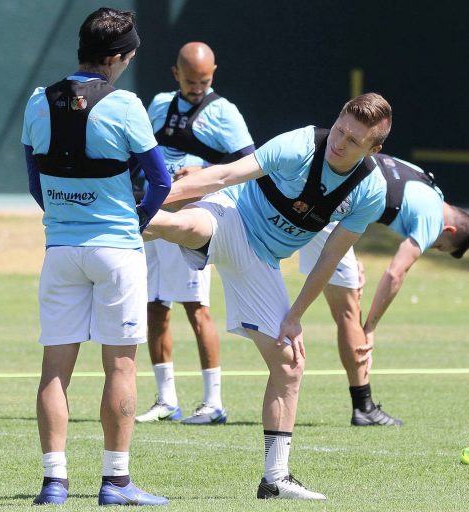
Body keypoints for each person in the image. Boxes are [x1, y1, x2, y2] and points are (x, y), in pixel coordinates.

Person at [143, 93, 393, 500]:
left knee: (290, 361)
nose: (340, 142)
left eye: (353, 141)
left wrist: (295, 315)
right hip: (231, 213)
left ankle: (275, 479)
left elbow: (329, 257)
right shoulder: (300, 144)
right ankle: (120, 218)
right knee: (185, 225)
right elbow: (223, 176)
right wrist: (153, 198)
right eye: (340, 130)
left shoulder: (370, 190)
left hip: (261, 260)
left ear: (373, 149)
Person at [21, 7, 171, 507]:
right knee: (121, 368)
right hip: (117, 251)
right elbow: (160, 181)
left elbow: (35, 183)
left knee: (54, 370)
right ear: (119, 57)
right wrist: (136, 221)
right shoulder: (126, 105)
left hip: (60, 251)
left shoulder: (38, 101)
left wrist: (65, 216)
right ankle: (116, 483)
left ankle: (53, 484)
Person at [299, 155, 469, 426]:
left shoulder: (424, 180)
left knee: (347, 303)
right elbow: (395, 273)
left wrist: (351, 256)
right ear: (449, 229)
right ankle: (363, 408)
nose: (432, 246)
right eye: (440, 246)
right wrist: (371, 328)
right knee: (349, 313)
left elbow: (370, 180)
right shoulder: (433, 219)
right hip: (325, 209)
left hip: (321, 191)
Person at [134, 42, 255, 425]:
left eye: (204, 81)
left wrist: (201, 171)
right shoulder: (159, 104)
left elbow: (249, 163)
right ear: (176, 74)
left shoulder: (224, 112)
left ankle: (213, 402)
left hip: (190, 221)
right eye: (190, 81)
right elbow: (141, 151)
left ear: (213, 73)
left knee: (196, 308)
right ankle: (166, 400)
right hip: (154, 216)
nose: (197, 88)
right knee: (154, 308)